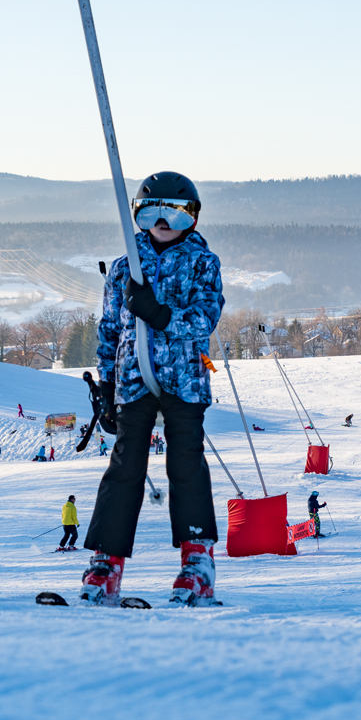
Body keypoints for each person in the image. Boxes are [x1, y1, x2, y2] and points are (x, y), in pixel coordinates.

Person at [81, 172, 226, 609]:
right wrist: (106, 383)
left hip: (183, 378)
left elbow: (205, 318)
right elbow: (109, 329)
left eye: (176, 213)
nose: (163, 221)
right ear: (138, 216)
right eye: (152, 211)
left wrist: (160, 314)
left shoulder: (204, 263)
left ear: (193, 219)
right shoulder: (126, 267)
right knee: (126, 466)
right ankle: (106, 562)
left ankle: (197, 560)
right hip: (132, 379)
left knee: (185, 464)